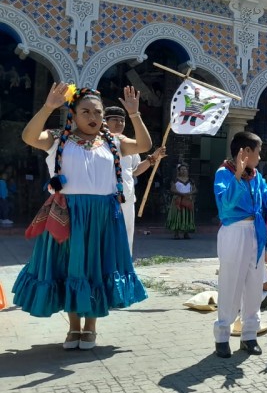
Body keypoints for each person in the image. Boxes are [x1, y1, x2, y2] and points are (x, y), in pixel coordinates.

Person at [13, 83, 151, 349]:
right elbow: (29, 136)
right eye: (85, 112)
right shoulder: (58, 139)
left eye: (97, 113)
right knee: (70, 268)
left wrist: (134, 114)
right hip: (68, 215)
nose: (93, 118)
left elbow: (144, 144)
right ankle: (73, 328)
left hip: (102, 217)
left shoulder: (113, 141)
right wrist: (48, 107)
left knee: (95, 269)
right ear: (73, 115)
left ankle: (91, 328)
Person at [213, 131, 267, 358]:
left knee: (254, 285)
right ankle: (222, 337)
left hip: (255, 232)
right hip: (234, 231)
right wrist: (237, 176)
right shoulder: (224, 173)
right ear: (244, 152)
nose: (260, 156)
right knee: (230, 283)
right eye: (258, 151)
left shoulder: (256, 176)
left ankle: (249, 335)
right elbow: (225, 205)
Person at [104, 106, 167, 252]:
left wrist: (153, 159)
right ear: (105, 122)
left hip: (127, 197)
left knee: (126, 236)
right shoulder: (98, 143)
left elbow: (134, 171)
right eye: (115, 120)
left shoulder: (129, 145)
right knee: (106, 236)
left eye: (122, 120)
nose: (119, 123)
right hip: (105, 197)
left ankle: (125, 268)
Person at [167, 164, 196, 239]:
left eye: (185, 169)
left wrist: (189, 193)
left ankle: (186, 233)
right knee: (177, 216)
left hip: (188, 199)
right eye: (182, 169)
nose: (183, 171)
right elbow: (172, 189)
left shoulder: (191, 180)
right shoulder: (175, 180)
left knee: (187, 216)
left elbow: (195, 189)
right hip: (178, 200)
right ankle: (176, 233)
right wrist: (181, 194)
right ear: (179, 171)